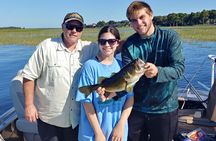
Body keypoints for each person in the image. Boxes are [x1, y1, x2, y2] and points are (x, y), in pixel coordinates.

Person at [99, 1, 185, 141]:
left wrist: (158, 71)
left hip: (165, 108)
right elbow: (127, 79)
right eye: (133, 20)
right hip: (137, 109)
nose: (138, 23)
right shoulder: (129, 45)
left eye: (142, 17)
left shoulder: (170, 37)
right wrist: (111, 93)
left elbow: (179, 69)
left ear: (151, 15)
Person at [22, 12, 99, 141]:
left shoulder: (90, 48)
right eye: (70, 26)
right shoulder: (46, 46)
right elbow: (29, 76)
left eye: (78, 28)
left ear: (82, 31)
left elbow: (112, 46)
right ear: (62, 26)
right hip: (49, 120)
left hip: (76, 119)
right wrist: (29, 105)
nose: (74, 31)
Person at [76, 25, 134, 141]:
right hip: (93, 132)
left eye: (111, 41)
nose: (107, 45)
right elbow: (86, 103)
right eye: (103, 42)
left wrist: (121, 125)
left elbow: (130, 98)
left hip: (118, 131)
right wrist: (98, 133)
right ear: (98, 43)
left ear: (117, 43)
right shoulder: (90, 66)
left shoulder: (122, 66)